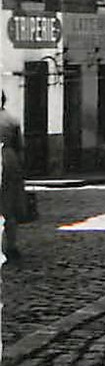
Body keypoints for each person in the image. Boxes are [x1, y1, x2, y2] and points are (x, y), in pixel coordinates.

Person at [0, 93, 25, 260]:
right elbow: (20, 147)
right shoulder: (12, 119)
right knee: (9, 207)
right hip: (9, 160)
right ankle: (11, 245)